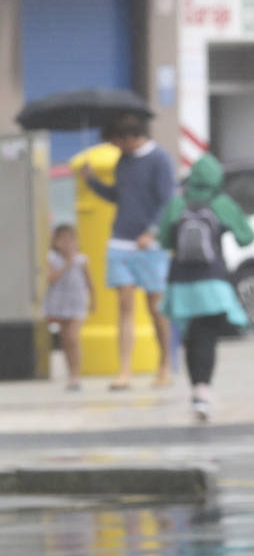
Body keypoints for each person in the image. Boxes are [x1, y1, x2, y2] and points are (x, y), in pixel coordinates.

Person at [77, 114, 177, 391]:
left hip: (150, 245)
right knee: (124, 305)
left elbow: (168, 200)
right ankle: (124, 371)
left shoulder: (160, 159)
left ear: (130, 138)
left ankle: (165, 366)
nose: (115, 147)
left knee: (156, 308)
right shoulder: (124, 160)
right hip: (120, 241)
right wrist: (93, 182)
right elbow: (119, 196)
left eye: (116, 142)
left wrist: (152, 231)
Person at [157, 152, 254, 421]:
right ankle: (203, 391)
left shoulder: (177, 203)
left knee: (192, 337)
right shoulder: (221, 202)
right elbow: (247, 238)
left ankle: (197, 391)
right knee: (207, 338)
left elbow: (164, 241)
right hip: (213, 282)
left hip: (180, 283)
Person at [43, 223, 94, 391]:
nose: (67, 244)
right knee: (65, 340)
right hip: (60, 303)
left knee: (73, 337)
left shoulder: (82, 260)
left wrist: (93, 299)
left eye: (71, 240)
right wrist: (67, 264)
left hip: (77, 303)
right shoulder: (52, 259)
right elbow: (51, 278)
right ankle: (70, 371)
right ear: (56, 242)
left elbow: (90, 282)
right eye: (62, 240)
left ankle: (76, 374)